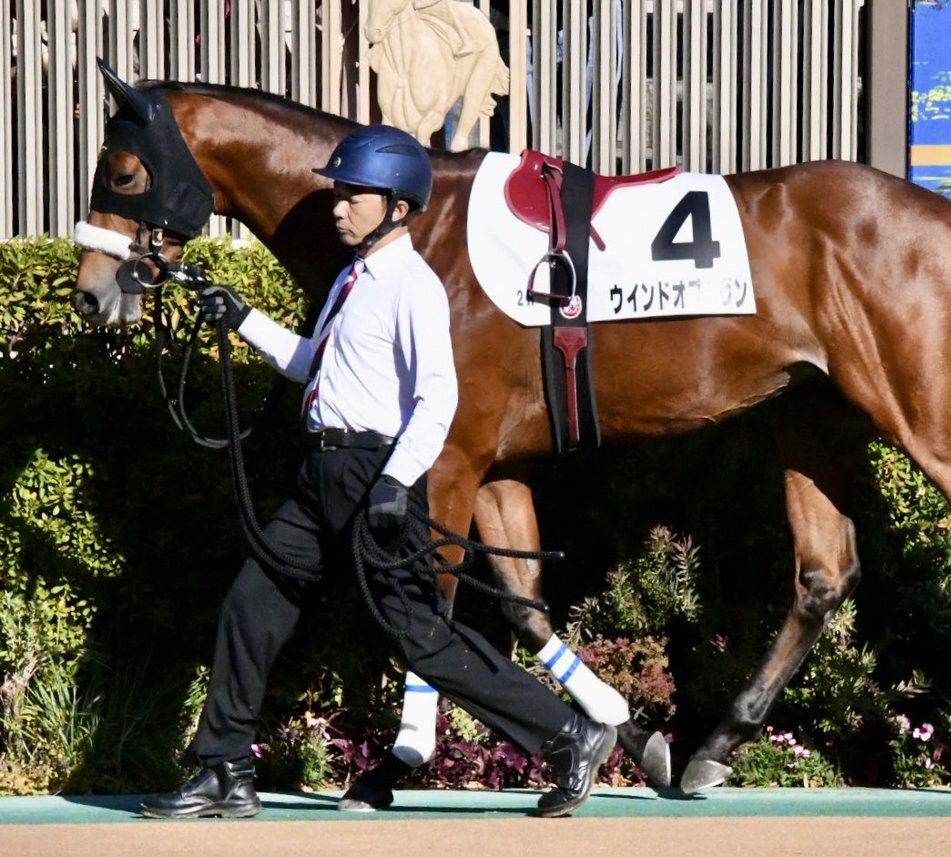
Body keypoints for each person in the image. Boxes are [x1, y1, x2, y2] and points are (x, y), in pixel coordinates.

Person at [138, 124, 616, 820]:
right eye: (338, 191)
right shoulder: (351, 280)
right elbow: (316, 364)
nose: (337, 204)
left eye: (353, 194)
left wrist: (397, 482)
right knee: (252, 600)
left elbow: (439, 397)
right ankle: (223, 769)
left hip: (374, 473)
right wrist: (241, 318)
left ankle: (570, 735)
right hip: (321, 475)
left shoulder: (413, 286)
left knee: (423, 634)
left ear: (396, 204)